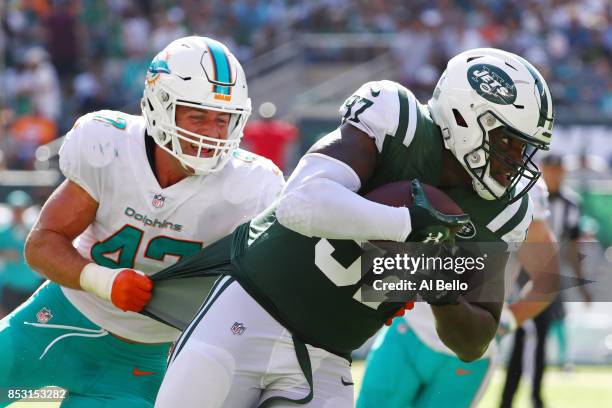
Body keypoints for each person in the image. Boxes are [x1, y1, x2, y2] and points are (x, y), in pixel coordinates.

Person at [148, 48, 555, 407]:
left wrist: (441, 288)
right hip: (248, 311)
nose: (517, 159)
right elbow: (300, 203)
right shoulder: (399, 120)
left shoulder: (502, 211)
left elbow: (475, 341)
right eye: (508, 142)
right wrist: (407, 224)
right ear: (466, 116)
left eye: (525, 148)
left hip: (329, 355)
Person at [0, 36, 284, 407]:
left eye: (223, 119)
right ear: (160, 105)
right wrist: (104, 280)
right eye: (197, 116)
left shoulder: (251, 186)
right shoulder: (110, 147)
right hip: (57, 318)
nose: (212, 133)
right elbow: (41, 245)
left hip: (136, 363)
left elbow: (291, 273)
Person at [357, 179, 560, 408]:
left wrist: (508, 321)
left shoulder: (525, 188)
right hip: (409, 330)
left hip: (469, 348)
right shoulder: (435, 157)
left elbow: (548, 278)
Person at [500, 154, 590, 408]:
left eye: (559, 171)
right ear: (542, 170)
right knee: (525, 335)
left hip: (549, 277)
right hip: (522, 276)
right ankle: (514, 397)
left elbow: (572, 246)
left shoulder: (571, 204)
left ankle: (531, 396)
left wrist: (581, 281)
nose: (554, 175)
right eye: (550, 170)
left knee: (538, 338)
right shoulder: (528, 195)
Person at [0, 190, 44, 317]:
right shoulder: (3, 233)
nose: (18, 212)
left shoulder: (33, 232)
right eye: (15, 209)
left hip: (30, 286)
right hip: (10, 287)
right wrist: (4, 253)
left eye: (21, 209)